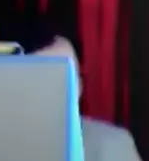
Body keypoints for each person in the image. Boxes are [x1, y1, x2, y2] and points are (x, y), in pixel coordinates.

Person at [30, 31, 142, 160]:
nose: (55, 91)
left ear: (80, 87)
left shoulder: (112, 145)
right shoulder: (11, 140)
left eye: (65, 78)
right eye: (45, 79)